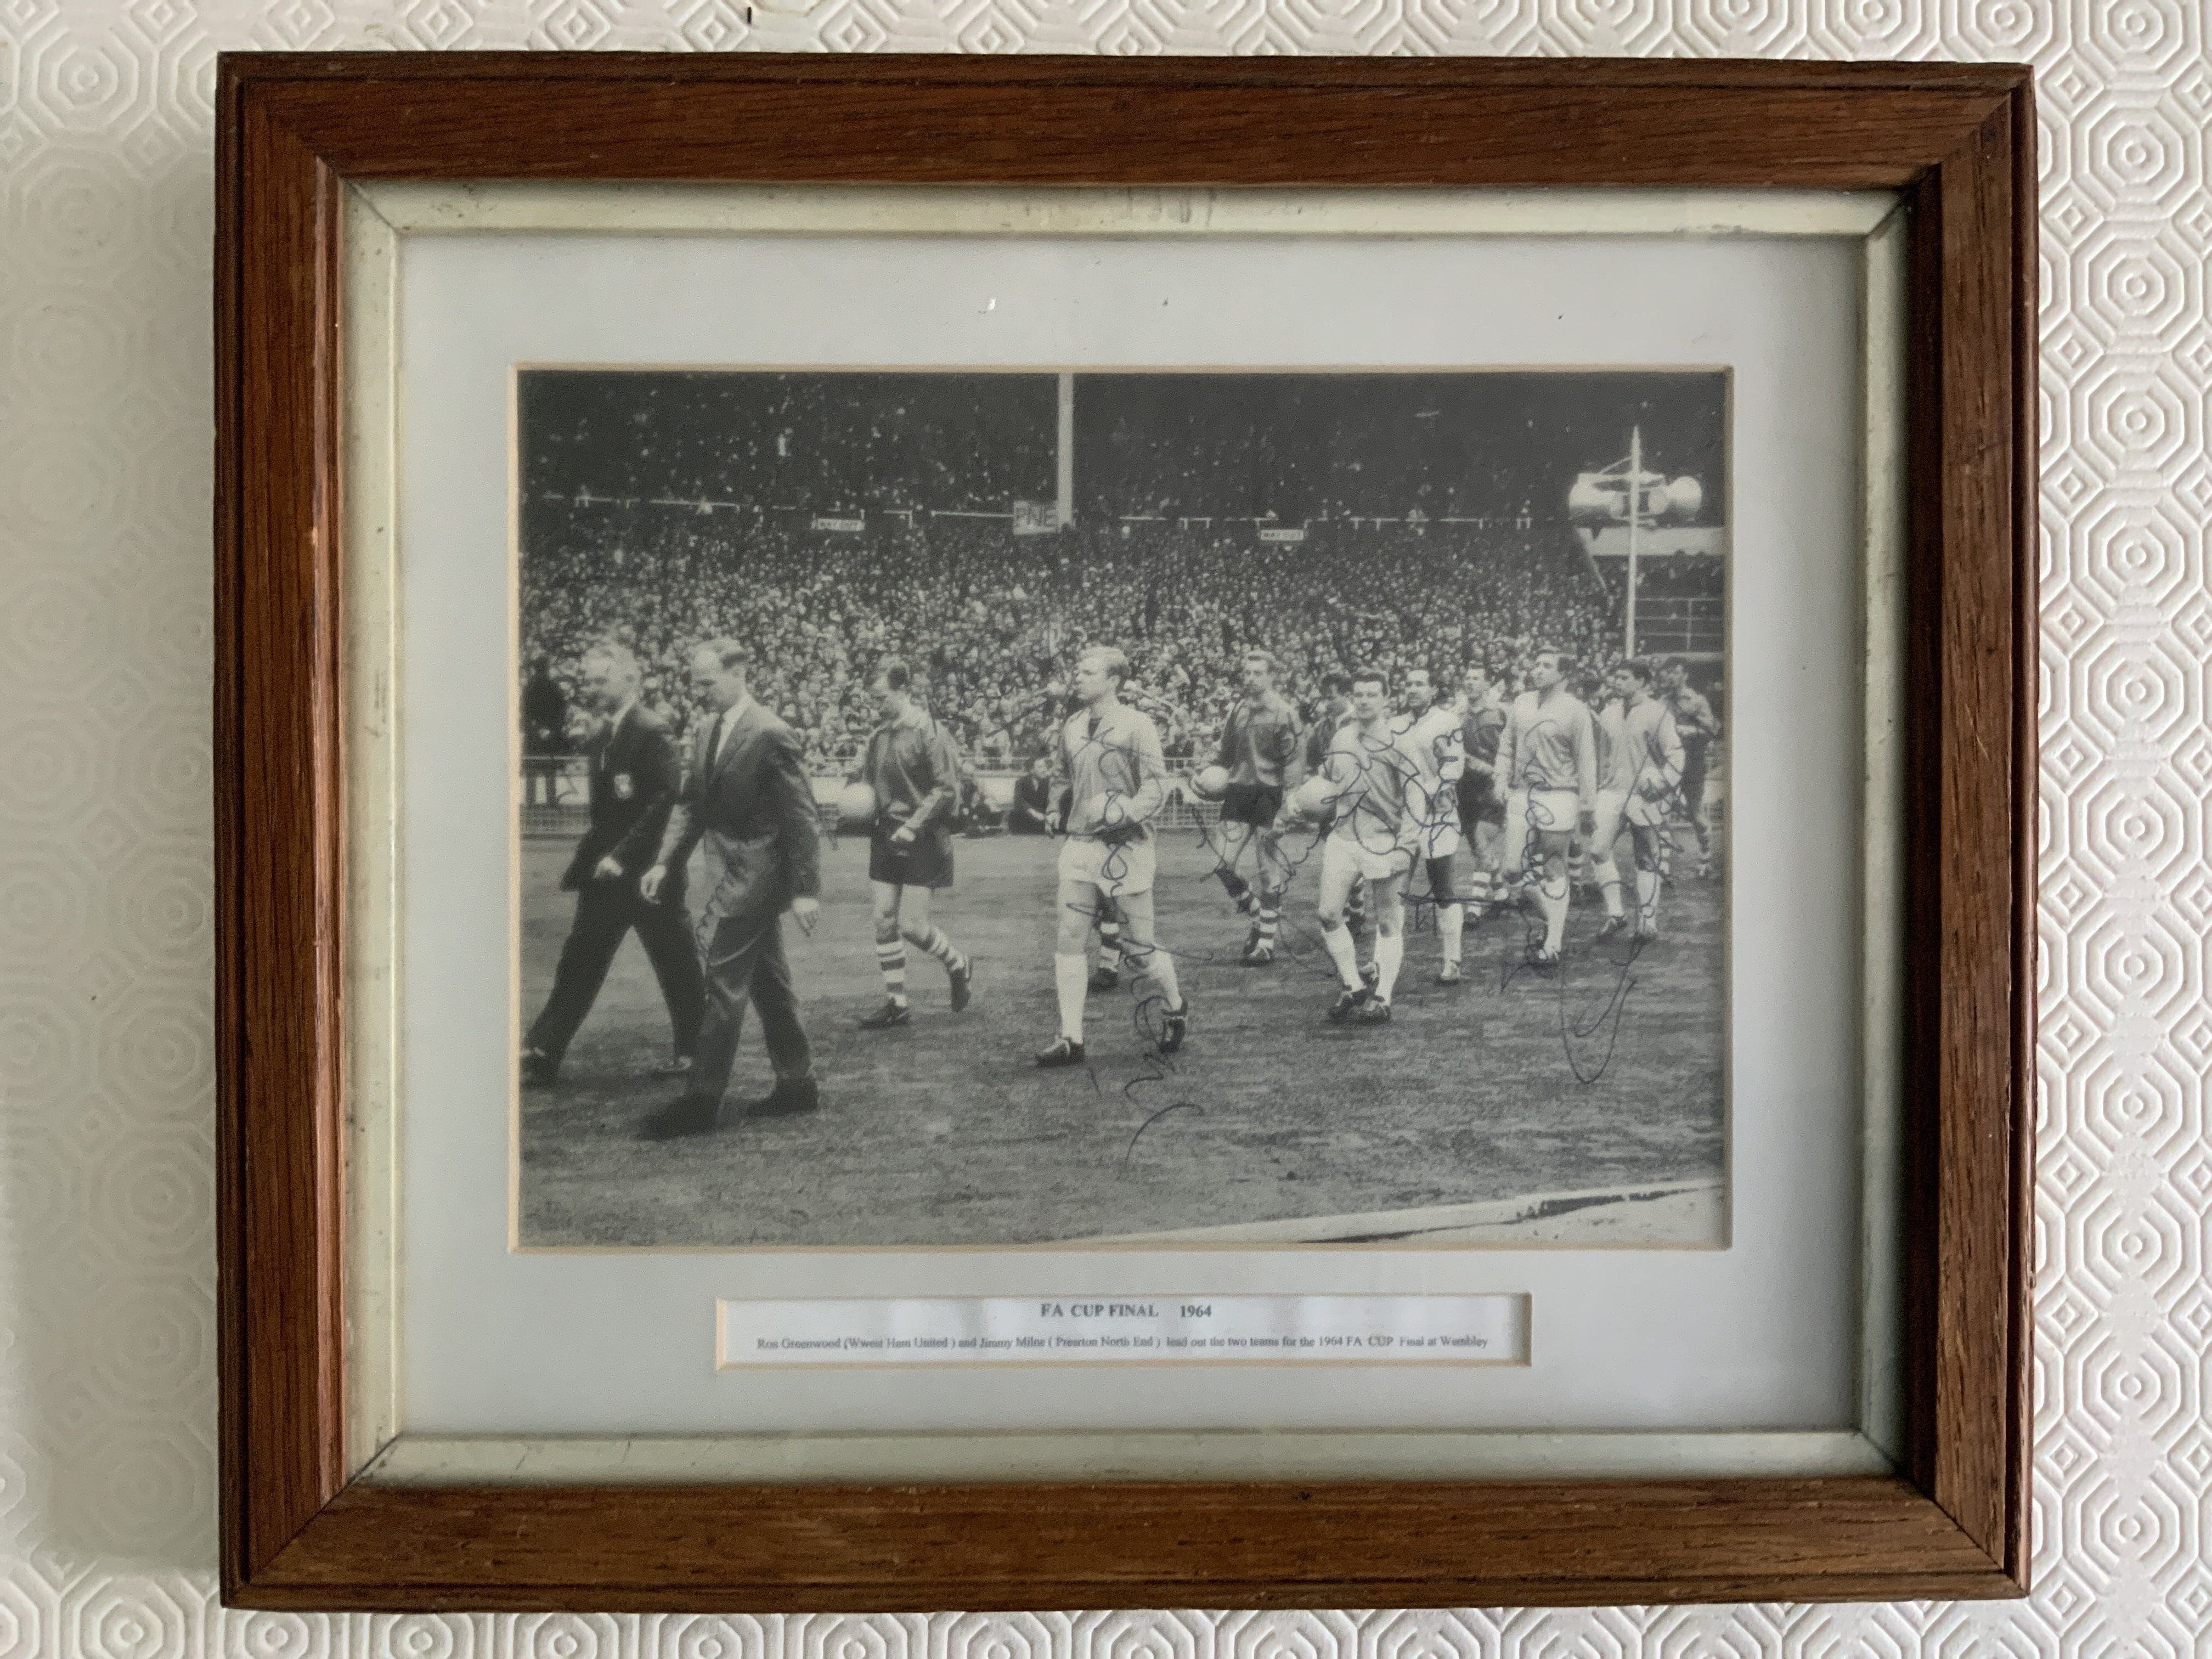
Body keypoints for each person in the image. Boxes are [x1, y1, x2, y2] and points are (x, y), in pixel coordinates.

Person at [635, 639, 822, 1138]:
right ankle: (797, 1082)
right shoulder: (703, 731)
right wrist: (663, 862)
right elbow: (691, 803)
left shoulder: (771, 733)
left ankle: (701, 1099)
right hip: (729, 873)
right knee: (768, 981)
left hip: (758, 877)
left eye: (707, 681)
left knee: (722, 982)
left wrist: (806, 889)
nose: (699, 693)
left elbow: (801, 816)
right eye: (695, 682)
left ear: (739, 672)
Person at [522, 643, 704, 1087]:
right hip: (605, 877)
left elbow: (661, 803)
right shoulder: (605, 735)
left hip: (646, 877)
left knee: (676, 963)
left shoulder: (652, 730)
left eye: (602, 679)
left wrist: (622, 857)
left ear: (629, 680)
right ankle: (545, 1048)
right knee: (580, 958)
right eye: (590, 679)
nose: (593, 686)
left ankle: (697, 1051)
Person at [1035, 646, 1189, 1068]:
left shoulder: (1138, 725)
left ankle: (1175, 1006)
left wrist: (1126, 812)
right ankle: (1071, 1038)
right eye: (1077, 671)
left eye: (1087, 672)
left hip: (1128, 846)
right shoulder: (1073, 724)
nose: (1077, 678)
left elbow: (1157, 785)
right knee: (1069, 938)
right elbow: (1061, 772)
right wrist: (1054, 807)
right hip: (1081, 844)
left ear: (1114, 681)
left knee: (1139, 952)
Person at [854, 658, 975, 1031]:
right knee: (883, 919)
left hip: (923, 835)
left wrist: (913, 825)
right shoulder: (878, 736)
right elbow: (869, 787)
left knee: (912, 926)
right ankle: (897, 1003)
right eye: (872, 700)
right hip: (886, 834)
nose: (876, 706)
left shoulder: (929, 731)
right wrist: (855, 799)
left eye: (881, 698)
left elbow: (946, 790)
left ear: (903, 690)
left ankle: (957, 963)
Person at [1305, 669, 1418, 1024]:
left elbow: (1416, 797)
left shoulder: (1401, 741)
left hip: (1383, 839)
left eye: (1372, 694)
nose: (1365, 701)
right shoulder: (1341, 737)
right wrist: (1299, 803)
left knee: (1387, 921)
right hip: (1343, 837)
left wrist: (1407, 845)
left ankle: (1383, 996)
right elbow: (1327, 782)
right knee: (1328, 913)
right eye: (1359, 695)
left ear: (1386, 699)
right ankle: (1354, 985)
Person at [1497, 646, 1599, 967]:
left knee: (1554, 866)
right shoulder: (1521, 702)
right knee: (1512, 872)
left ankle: (1553, 943)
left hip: (1559, 794)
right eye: (1536, 663)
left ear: (1563, 674)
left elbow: (1586, 761)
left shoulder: (1576, 710)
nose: (1536, 670)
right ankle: (1550, 920)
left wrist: (1587, 806)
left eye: (1546, 665)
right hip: (1522, 794)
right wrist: (1500, 780)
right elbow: (1507, 746)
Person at [1207, 650, 1301, 966]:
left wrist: (1287, 807)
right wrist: (1204, 774)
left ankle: (1266, 944)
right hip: (1238, 792)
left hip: (1269, 795)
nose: (1250, 679)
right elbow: (1225, 753)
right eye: (1247, 673)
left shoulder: (1285, 713)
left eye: (1257, 673)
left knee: (1267, 871)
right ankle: (1259, 915)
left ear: (1272, 676)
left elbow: (1293, 763)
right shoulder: (1239, 709)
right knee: (1222, 863)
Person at [1393, 665, 1470, 984]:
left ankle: (1453, 959)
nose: (1413, 689)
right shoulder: (1395, 725)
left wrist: (1427, 790)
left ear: (1433, 690)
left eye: (1420, 684)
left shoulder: (1446, 722)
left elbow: (1454, 766)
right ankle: (1382, 959)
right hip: (1404, 817)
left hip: (1438, 813)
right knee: (1395, 888)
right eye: (1408, 684)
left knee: (1443, 888)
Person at [1600, 658, 1686, 940]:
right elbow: (1602, 754)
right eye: (1616, 677)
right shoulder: (1608, 713)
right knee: (1597, 850)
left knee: (1646, 856)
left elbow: (1676, 753)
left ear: (1641, 682)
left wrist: (1661, 783)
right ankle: (1616, 914)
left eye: (1624, 678)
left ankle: (1648, 920)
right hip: (1612, 791)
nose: (1617, 682)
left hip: (1643, 793)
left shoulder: (1658, 713)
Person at [1660, 656, 1722, 877]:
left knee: (1694, 813)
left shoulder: (1697, 701)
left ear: (1685, 675)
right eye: (1668, 672)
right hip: (1669, 762)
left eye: (1675, 672)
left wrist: (1692, 731)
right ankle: (1663, 862)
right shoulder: (1662, 701)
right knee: (1662, 811)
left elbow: (1712, 731)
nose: (1670, 677)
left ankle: (1705, 856)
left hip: (1692, 761)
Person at [1454, 663, 1509, 915]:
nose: (1470, 682)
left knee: (1482, 839)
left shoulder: (1500, 714)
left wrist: (1500, 776)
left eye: (1476, 678)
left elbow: (1509, 752)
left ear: (1488, 685)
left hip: (1492, 788)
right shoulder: (1458, 715)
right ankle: (1501, 894)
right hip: (1465, 790)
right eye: (1467, 678)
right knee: (1478, 847)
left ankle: (1475, 907)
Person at [522, 657, 569, 808]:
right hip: (551, 733)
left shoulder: (529, 687)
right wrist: (551, 729)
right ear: (547, 668)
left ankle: (530, 802)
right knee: (550, 770)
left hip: (534, 734)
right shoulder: (554, 687)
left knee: (532, 769)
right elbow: (562, 710)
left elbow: (524, 711)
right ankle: (551, 802)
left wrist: (536, 728)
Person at [1008, 752, 1055, 834]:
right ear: (1032, 770)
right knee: (1014, 815)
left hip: (1044, 817)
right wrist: (1034, 813)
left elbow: (1053, 800)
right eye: (1040, 767)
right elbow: (1019, 801)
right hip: (1027, 817)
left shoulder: (1050, 782)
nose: (1044, 770)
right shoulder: (1021, 782)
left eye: (1045, 767)